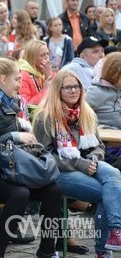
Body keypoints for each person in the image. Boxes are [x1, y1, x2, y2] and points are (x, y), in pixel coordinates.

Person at [0, 53, 61, 258]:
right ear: (3, 79)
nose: (20, 83)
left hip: (10, 169)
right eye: (17, 79)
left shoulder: (11, 102)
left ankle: (47, 251)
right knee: (20, 193)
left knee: (53, 189)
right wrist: (14, 136)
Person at [33, 70, 121, 258]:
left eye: (77, 86)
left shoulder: (86, 112)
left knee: (113, 174)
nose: (73, 91)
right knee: (109, 193)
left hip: (89, 164)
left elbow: (99, 146)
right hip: (60, 172)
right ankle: (103, 251)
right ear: (57, 90)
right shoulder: (46, 117)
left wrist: (94, 158)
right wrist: (79, 163)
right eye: (68, 87)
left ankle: (115, 231)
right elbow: (43, 156)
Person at [86, 52, 121, 166]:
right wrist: (99, 127)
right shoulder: (96, 92)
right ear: (114, 74)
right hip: (107, 145)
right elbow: (79, 116)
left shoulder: (118, 90)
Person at [18, 40, 53, 105]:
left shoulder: (46, 72)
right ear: (32, 57)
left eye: (47, 54)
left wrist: (49, 76)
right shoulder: (23, 76)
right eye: (42, 55)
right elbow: (26, 106)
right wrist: (45, 90)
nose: (47, 58)